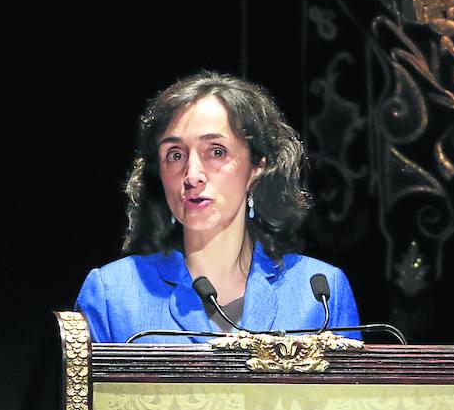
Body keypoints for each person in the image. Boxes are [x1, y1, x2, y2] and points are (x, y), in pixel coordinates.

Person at [76, 71, 360, 343]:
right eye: (175, 155)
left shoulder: (319, 293)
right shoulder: (113, 294)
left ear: (257, 167)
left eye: (216, 152)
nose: (192, 175)